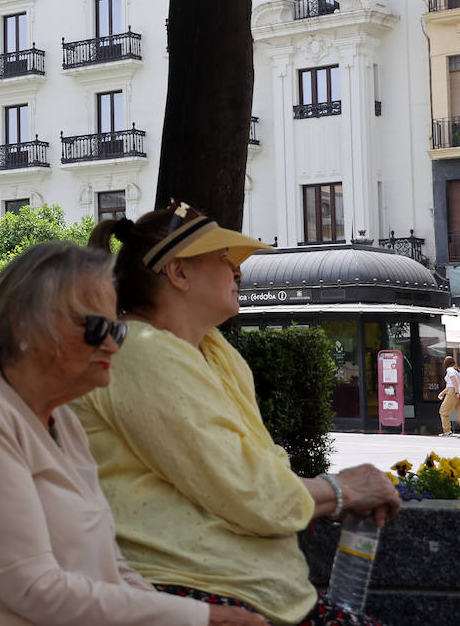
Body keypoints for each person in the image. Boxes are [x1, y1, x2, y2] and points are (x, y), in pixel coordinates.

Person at [0, 240, 269, 626]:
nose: (112, 346)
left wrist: (181, 619)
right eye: (96, 326)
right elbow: (33, 587)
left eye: (117, 331)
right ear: (24, 325)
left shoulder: (61, 418)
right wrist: (199, 618)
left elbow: (111, 566)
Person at [73, 203, 401, 626]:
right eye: (223, 257)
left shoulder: (212, 351)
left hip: (249, 592)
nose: (238, 271)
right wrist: (340, 490)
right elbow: (248, 491)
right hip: (188, 593)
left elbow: (255, 476)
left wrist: (326, 497)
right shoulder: (139, 351)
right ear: (178, 273)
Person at [438, 356, 460, 437]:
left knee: (443, 411)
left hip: (453, 392)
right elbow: (452, 384)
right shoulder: (457, 371)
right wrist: (443, 393)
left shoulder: (449, 370)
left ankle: (447, 430)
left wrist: (455, 392)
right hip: (457, 391)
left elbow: (454, 382)